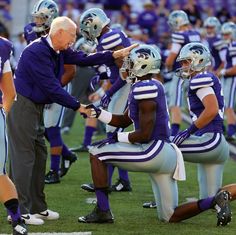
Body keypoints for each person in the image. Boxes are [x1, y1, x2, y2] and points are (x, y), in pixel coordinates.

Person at [78, 44, 232, 226]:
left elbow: (144, 134)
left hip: (156, 152)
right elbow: (124, 121)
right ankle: (215, 200)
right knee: (169, 216)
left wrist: (117, 138)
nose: (125, 67)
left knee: (96, 152)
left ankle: (103, 211)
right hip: (165, 153)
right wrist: (97, 114)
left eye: (130, 63)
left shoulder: (145, 88)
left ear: (142, 65)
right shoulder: (148, 85)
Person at [7, 16, 137, 225]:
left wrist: (113, 54)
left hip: (34, 105)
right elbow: (52, 87)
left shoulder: (56, 48)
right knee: (24, 157)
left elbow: (84, 58)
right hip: (22, 105)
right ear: (58, 33)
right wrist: (79, 106)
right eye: (70, 36)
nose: (72, 40)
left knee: (39, 155)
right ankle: (19, 211)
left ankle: (38, 207)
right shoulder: (36, 51)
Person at [78, 8, 132, 192]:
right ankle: (123, 181)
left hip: (125, 87)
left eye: (87, 28)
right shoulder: (112, 34)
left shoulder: (110, 38)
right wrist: (103, 87)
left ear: (95, 25)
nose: (86, 32)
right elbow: (116, 71)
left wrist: (108, 93)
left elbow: (124, 72)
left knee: (112, 135)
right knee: (114, 135)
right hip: (122, 85)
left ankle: (106, 182)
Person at [24, 0, 77, 184]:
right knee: (44, 129)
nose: (37, 21)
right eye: (37, 17)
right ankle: (68, 155)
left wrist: (53, 91)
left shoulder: (62, 34)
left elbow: (70, 71)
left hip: (58, 85)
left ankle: (54, 170)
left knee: (52, 129)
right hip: (44, 85)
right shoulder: (30, 31)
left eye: (42, 18)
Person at [0, 36, 27, 234]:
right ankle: (18, 222)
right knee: (0, 175)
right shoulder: (2, 46)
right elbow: (9, 93)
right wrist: (2, 114)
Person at [165, 10, 201, 136]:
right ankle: (199, 129)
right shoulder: (195, 34)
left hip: (181, 73)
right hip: (196, 72)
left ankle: (174, 131)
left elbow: (172, 56)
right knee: (193, 102)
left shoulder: (179, 35)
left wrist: (167, 67)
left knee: (175, 103)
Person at [217, 22, 236, 141]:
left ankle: (231, 131)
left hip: (232, 78)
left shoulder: (233, 45)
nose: (225, 37)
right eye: (223, 34)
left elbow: (235, 69)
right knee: (227, 105)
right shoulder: (230, 45)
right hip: (229, 78)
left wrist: (222, 72)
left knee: (228, 105)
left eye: (227, 34)